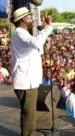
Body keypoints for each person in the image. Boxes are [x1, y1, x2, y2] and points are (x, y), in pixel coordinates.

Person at [10, 7, 53, 136]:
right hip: (25, 81)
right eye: (30, 18)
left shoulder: (23, 33)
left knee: (29, 112)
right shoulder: (20, 32)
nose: (33, 21)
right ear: (24, 19)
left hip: (28, 80)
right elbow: (37, 43)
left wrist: (43, 29)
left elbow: (37, 49)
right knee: (29, 113)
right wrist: (48, 27)